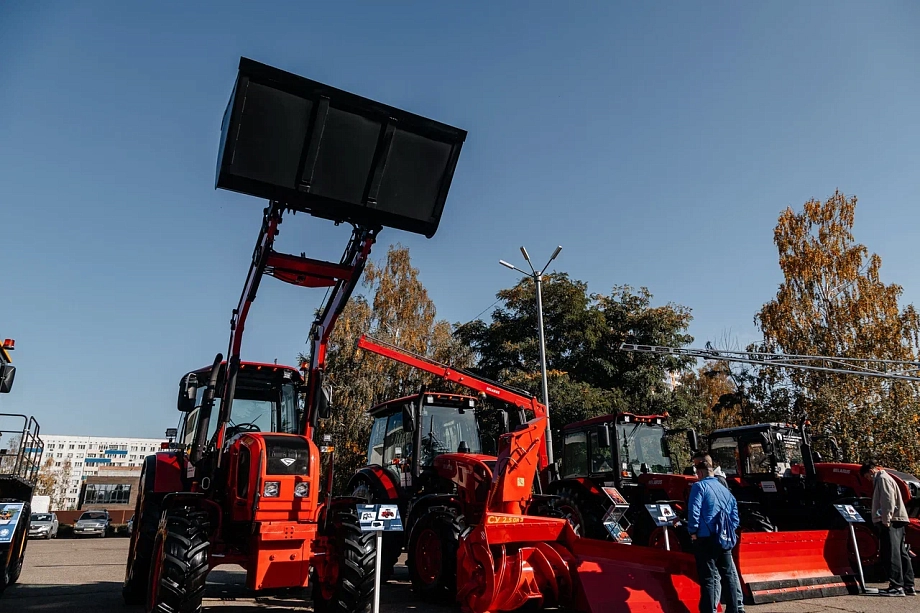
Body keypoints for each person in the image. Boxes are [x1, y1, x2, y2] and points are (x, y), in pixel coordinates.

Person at [687, 452, 744, 613]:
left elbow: (694, 511)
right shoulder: (725, 489)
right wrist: (729, 531)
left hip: (705, 538)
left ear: (699, 472)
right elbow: (735, 516)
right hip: (724, 539)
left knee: (709, 578)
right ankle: (734, 609)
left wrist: (693, 531)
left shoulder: (699, 487)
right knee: (728, 576)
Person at [860, 459, 916, 596]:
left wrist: (886, 519)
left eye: (867, 477)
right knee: (902, 553)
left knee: (892, 553)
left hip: (891, 520)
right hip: (898, 519)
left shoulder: (882, 479)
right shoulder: (887, 478)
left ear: (871, 471)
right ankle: (908, 585)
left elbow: (887, 499)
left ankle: (896, 586)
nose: (868, 480)